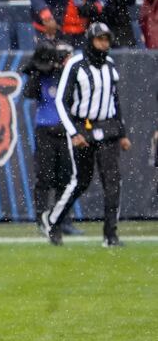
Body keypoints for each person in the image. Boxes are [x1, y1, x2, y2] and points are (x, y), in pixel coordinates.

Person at [40, 22, 132, 247]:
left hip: (107, 129)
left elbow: (114, 100)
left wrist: (122, 132)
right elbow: (62, 101)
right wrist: (73, 132)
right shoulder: (75, 64)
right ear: (90, 40)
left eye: (106, 39)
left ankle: (110, 235)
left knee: (113, 182)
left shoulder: (110, 65)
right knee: (81, 181)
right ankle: (52, 220)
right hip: (83, 129)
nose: (103, 44)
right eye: (99, 39)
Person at [21, 41, 85, 235]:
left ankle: (63, 219)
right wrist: (37, 68)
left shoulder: (71, 77)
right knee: (44, 177)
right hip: (45, 130)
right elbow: (29, 93)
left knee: (66, 179)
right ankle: (42, 219)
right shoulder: (42, 73)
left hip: (66, 131)